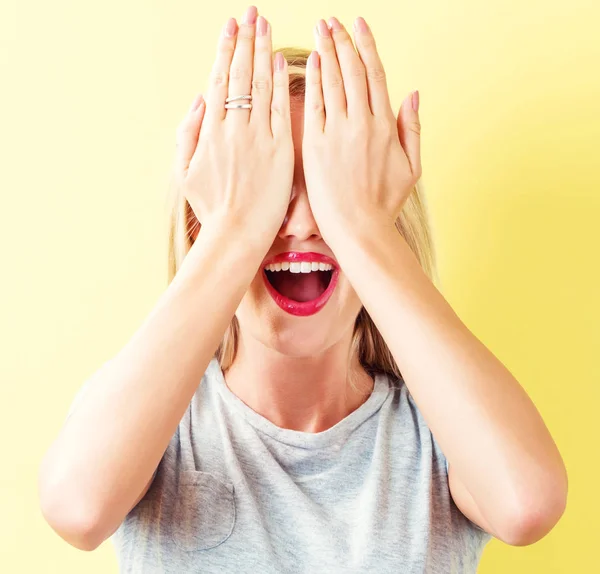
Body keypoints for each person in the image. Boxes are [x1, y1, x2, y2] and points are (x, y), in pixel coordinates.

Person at [38, 5, 568, 573]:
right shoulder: (150, 420)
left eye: (325, 189)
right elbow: (77, 510)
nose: (300, 224)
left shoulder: (442, 432)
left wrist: (361, 226)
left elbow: (526, 505)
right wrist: (235, 227)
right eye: (272, 190)